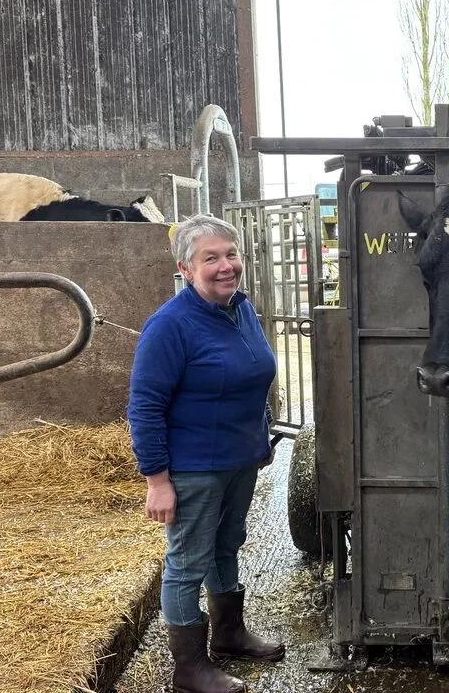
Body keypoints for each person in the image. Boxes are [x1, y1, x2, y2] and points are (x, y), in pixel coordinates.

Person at [128, 214, 285, 693]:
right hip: (195, 466)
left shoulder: (242, 310)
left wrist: (258, 442)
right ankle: (190, 669)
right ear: (186, 268)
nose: (225, 266)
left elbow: (251, 379)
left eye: (231, 254)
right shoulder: (170, 326)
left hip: (239, 460)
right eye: (210, 258)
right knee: (187, 562)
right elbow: (144, 405)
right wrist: (157, 480)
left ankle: (230, 635)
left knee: (226, 545)